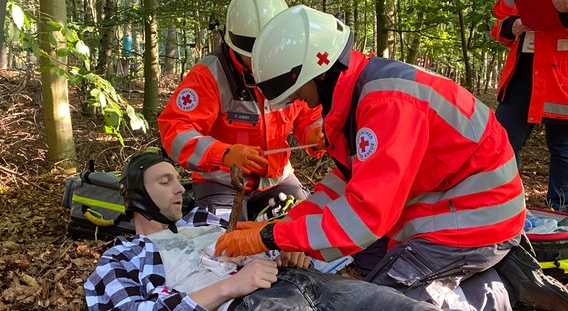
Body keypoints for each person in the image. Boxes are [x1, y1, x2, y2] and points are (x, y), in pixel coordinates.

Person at [214, 5, 568, 311]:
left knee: (382, 299)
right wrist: (288, 225)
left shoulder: (385, 105)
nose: (301, 102)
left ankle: (491, 290)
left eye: (298, 92)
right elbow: (345, 181)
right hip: (441, 200)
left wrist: (275, 236)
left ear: (318, 73)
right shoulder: (357, 94)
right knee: (360, 267)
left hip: (475, 215)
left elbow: (365, 216)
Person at [84, 152, 450, 311]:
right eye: (165, 182)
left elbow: (272, 244)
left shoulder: (208, 222)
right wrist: (231, 285)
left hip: (311, 285)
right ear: (136, 195)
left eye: (178, 180)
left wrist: (290, 248)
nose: (181, 188)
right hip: (252, 303)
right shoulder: (122, 256)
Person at [158, 0, 325, 222]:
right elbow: (174, 131)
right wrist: (223, 154)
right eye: (253, 55)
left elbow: (309, 114)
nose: (262, 62)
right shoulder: (210, 75)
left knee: (304, 231)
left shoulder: (292, 66)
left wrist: (316, 132)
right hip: (220, 182)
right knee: (218, 246)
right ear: (235, 45)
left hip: (277, 179)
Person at [491, 0, 568, 212]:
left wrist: (565, 13)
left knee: (563, 148)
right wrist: (511, 27)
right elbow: (497, 24)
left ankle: (560, 212)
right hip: (521, 79)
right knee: (501, 142)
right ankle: (504, 205)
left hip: (560, 80)